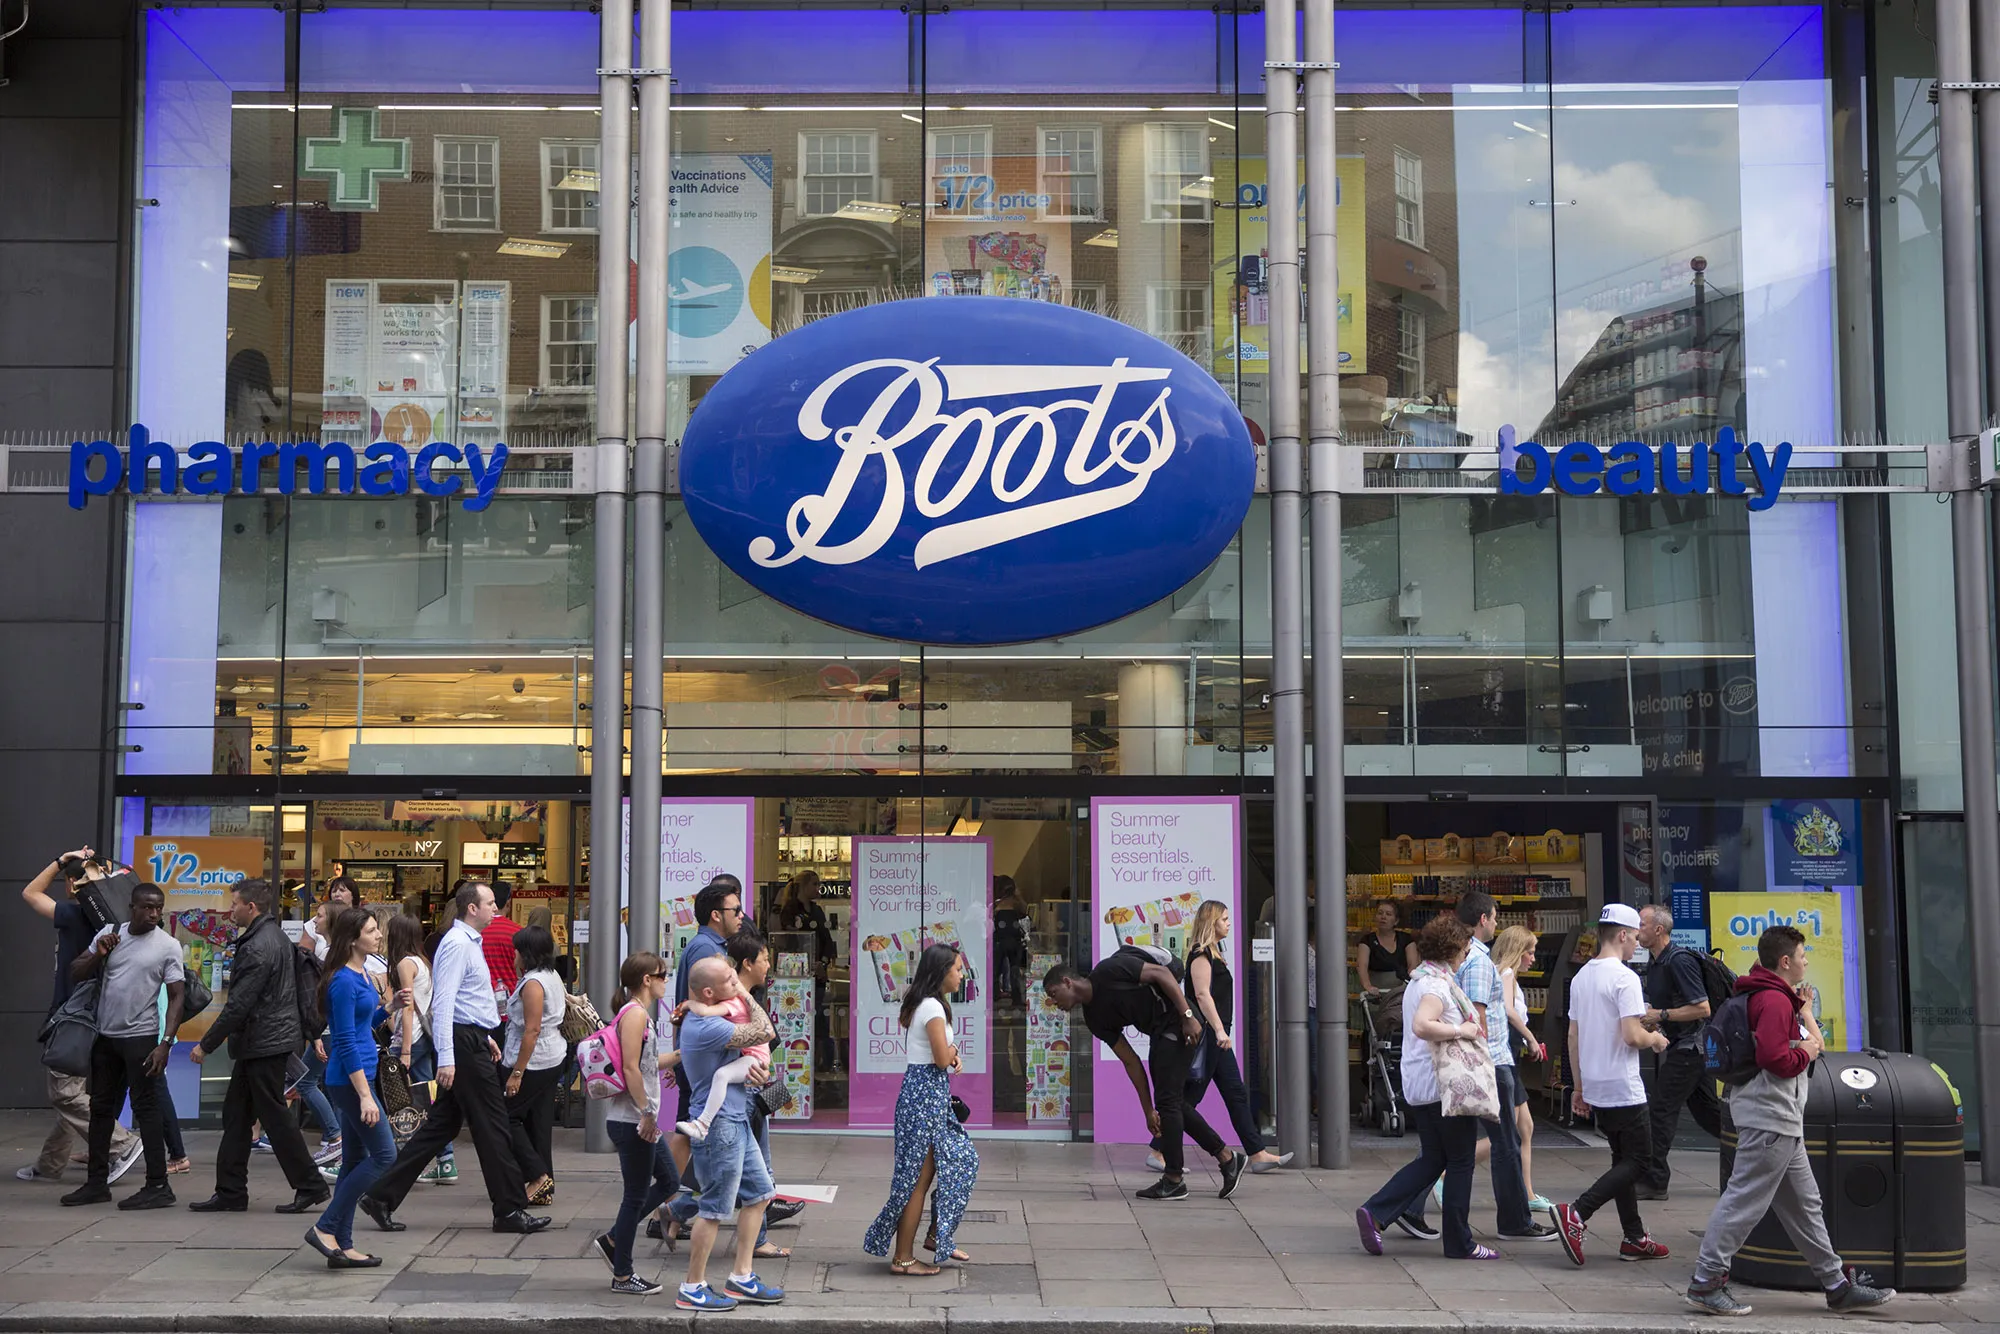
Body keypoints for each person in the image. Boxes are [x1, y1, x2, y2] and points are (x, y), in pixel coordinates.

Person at [1684, 924, 1894, 1316]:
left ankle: (1835, 1284)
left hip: (1778, 1121)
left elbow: (1772, 1049)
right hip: (1771, 1119)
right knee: (1743, 1201)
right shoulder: (1775, 1002)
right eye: (1802, 955)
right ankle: (1706, 1281)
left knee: (1805, 1204)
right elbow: (1775, 1060)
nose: (1806, 960)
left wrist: (1802, 1040)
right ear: (1785, 961)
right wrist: (1808, 1054)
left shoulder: (1766, 996)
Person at [359, 880, 548, 1235]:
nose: (497, 908)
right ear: (471, 909)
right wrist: (449, 1055)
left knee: (439, 1128)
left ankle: (380, 1197)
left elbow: (464, 1002)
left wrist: (483, 1035)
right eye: (490, 903)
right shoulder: (458, 944)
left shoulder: (468, 943)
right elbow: (443, 1002)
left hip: (470, 1040)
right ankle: (508, 1209)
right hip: (462, 1046)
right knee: (493, 1126)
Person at [1353, 914, 1501, 1261]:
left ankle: (1375, 1211)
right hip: (1446, 1085)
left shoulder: (1419, 980)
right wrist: (1462, 1031)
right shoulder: (1436, 987)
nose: (1466, 955)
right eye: (1464, 949)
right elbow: (1423, 1025)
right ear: (1451, 950)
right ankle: (1460, 1242)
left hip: (1422, 1084)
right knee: (1461, 1161)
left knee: (1434, 1158)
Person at [1044, 949, 1243, 1202]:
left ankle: (1174, 1179)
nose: (1054, 1004)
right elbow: (1131, 1062)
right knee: (1172, 1103)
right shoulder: (1094, 1019)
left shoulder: (1108, 971)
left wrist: (1187, 1016)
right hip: (1160, 1034)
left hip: (1178, 1024)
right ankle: (1227, 1158)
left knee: (1169, 1102)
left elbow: (1161, 974)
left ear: (1067, 982)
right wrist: (1147, 1109)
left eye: (1053, 995)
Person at [188, 878, 328, 1214]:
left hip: (265, 1041)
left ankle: (310, 1185)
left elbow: (239, 1005)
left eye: (234, 903)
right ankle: (231, 1191)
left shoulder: (257, 945)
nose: (229, 909)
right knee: (237, 1116)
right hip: (266, 1041)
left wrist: (206, 1045)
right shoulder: (275, 937)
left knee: (275, 1117)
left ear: (251, 908)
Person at [1554, 904, 1672, 1267]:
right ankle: (1577, 1212)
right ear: (1622, 935)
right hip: (1623, 1083)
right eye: (1635, 936)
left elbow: (1572, 1035)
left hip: (1595, 1081)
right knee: (1641, 1161)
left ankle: (1634, 1237)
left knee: (1622, 1158)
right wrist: (1656, 1040)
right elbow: (1632, 1035)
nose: (1637, 943)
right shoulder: (1625, 978)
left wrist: (1577, 1087)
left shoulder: (1581, 977)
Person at [18, 848, 142, 1186]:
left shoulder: (74, 915)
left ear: (73, 884)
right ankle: (49, 1165)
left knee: (65, 1092)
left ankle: (124, 1143)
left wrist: (59, 861)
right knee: (71, 1089)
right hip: (101, 1014)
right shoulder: (117, 920)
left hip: (73, 1016)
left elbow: (29, 893)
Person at [62, 882, 184, 1210]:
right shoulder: (111, 933)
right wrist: (97, 953)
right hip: (106, 1037)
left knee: (146, 1109)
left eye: (158, 907)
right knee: (101, 1109)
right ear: (133, 907)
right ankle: (96, 1183)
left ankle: (158, 1185)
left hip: (142, 1038)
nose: (154, 913)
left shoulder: (169, 945)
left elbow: (177, 997)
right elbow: (75, 972)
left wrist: (166, 1043)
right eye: (147, 907)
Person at [1145, 902, 1291, 1175]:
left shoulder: (1214, 953)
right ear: (1211, 922)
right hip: (1209, 1035)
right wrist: (1220, 1030)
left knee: (1233, 1092)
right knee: (1187, 1100)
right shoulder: (1202, 955)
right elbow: (1202, 995)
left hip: (1214, 1035)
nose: (1228, 923)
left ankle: (1257, 1153)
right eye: (1224, 919)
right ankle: (1158, 1149)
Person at [674, 955, 784, 1312]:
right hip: (719, 1125)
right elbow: (766, 1030)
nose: (735, 981)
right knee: (713, 1209)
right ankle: (692, 1286)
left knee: (760, 1194)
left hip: (736, 1118)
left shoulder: (712, 1012)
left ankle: (741, 1277)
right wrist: (746, 994)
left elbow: (752, 1053)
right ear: (709, 992)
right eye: (728, 979)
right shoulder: (708, 1026)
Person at [864, 944, 982, 1275]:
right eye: (957, 968)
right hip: (924, 1097)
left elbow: (939, 1057)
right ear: (941, 971)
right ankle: (903, 1258)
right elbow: (942, 1059)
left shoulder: (929, 1005)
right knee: (918, 1179)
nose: (962, 974)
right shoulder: (932, 1008)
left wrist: (949, 1052)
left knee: (959, 1161)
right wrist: (954, 1049)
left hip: (927, 1095)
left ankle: (936, 1236)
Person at [1444, 892, 1554, 1243]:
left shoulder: (1470, 957)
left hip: (1489, 1060)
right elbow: (1478, 1015)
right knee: (1505, 1144)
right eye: (1493, 917)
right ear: (1482, 919)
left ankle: (1406, 1207)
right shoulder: (1477, 960)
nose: (1496, 923)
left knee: (1463, 1145)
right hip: (1492, 1061)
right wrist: (1484, 1059)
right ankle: (1514, 1221)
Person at [305, 907, 396, 1268]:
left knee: (355, 1161)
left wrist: (387, 1008)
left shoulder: (360, 974)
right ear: (353, 938)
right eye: (372, 931)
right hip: (349, 1081)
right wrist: (363, 1096)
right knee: (386, 1156)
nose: (378, 935)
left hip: (359, 1076)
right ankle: (326, 1228)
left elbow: (360, 1026)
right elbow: (343, 1038)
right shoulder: (343, 980)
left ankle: (342, 1244)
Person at [590, 950, 679, 1297]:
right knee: (636, 1196)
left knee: (670, 1179)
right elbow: (629, 1069)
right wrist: (646, 1112)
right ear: (647, 979)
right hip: (632, 1120)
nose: (665, 981)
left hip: (639, 1118)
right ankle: (623, 1274)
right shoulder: (635, 1015)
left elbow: (644, 1063)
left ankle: (614, 1239)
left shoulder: (639, 1014)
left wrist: (680, 1058)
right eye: (662, 975)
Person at [1636, 904, 1722, 1199]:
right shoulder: (1655, 962)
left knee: (1661, 1109)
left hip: (1692, 1048)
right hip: (1686, 1046)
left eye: (1642, 924)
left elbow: (1702, 1008)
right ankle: (1752, 1155)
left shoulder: (1678, 961)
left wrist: (1661, 1016)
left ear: (1658, 930)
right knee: (1709, 1114)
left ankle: (1655, 1181)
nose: (1637, 930)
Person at [669, 879, 747, 1182]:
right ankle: (668, 1201)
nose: (741, 916)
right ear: (717, 914)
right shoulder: (706, 949)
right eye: (735, 910)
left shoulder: (709, 946)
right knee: (689, 1127)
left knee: (695, 1125)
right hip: (706, 1054)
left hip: (704, 1051)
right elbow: (706, 1001)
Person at [384, 911, 457, 1184]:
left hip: (411, 1039)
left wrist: (403, 1050)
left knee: (383, 1092)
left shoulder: (405, 963)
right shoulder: (423, 961)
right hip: (425, 1038)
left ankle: (382, 1156)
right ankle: (445, 1160)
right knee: (427, 1095)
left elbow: (406, 1007)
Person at [501, 924, 566, 1205]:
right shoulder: (550, 976)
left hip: (535, 1060)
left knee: (506, 1118)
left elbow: (532, 1030)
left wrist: (517, 1072)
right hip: (552, 1057)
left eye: (516, 951)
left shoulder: (533, 984)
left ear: (525, 953)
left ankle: (537, 1174)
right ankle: (544, 1186)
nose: (513, 956)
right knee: (539, 1121)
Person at [1490, 924, 1551, 1211]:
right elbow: (1508, 1010)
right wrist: (1531, 1038)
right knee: (1509, 1134)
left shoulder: (1507, 974)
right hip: (1506, 1057)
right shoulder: (1506, 974)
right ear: (1518, 951)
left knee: (1525, 1127)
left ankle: (1528, 1192)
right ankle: (1444, 1171)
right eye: (1530, 951)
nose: (1533, 958)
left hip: (1510, 1056)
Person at [1353, 899, 1419, 1040]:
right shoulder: (1367, 941)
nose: (1383, 917)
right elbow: (1362, 965)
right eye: (1380, 913)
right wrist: (1368, 986)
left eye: (1388, 914)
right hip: (1377, 991)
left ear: (1396, 920)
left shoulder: (1406, 939)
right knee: (1375, 1027)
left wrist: (1407, 984)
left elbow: (1413, 964)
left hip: (1400, 990)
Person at [775, 871, 835, 967]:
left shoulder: (817, 910)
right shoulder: (790, 910)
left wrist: (823, 962)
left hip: (818, 969)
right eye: (814, 884)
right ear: (803, 886)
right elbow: (790, 942)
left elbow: (827, 939)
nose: (818, 888)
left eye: (819, 884)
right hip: (796, 967)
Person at [992, 876, 1031, 1006]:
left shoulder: (999, 904)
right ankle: (1013, 997)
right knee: (1009, 970)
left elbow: (1025, 911)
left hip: (1003, 940)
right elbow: (1024, 911)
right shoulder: (1010, 904)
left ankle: (999, 995)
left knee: (1000, 970)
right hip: (1010, 940)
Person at [482, 879, 521, 1002]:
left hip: (482, 999)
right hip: (510, 998)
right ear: (508, 902)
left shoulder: (476, 930)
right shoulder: (517, 931)